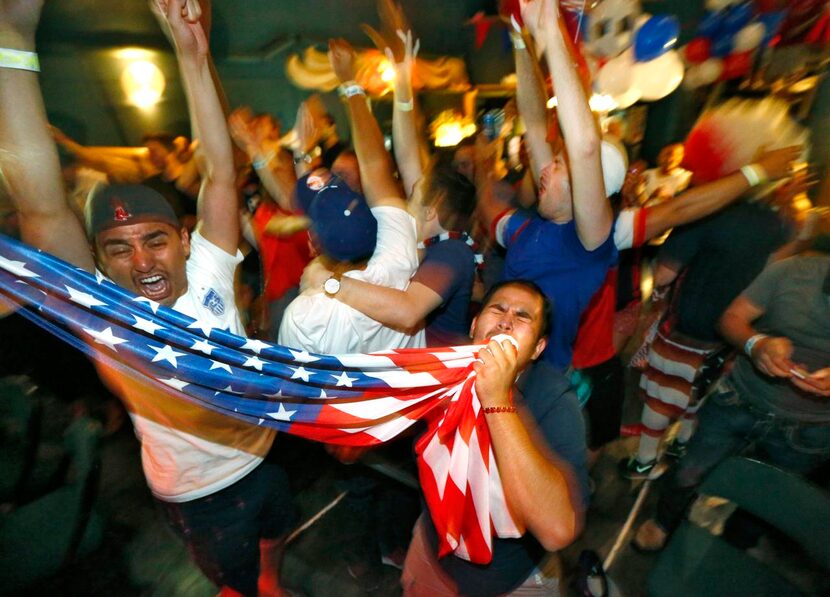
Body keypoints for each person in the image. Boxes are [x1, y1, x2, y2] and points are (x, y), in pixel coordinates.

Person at [0, 2, 292, 595]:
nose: (141, 261)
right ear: (99, 261)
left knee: (274, 539)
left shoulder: (211, 260)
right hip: (198, 492)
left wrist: (192, 51)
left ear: (184, 239)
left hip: (266, 452)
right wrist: (12, 40)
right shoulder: (105, 307)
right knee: (231, 579)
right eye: (118, 249)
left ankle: (270, 578)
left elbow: (219, 173)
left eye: (154, 240)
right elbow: (41, 206)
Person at [401, 279, 587, 596]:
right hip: (432, 558)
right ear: (475, 325)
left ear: (538, 348)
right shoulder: (439, 372)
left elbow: (557, 531)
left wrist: (497, 399)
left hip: (508, 585)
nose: (505, 320)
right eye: (498, 308)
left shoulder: (556, 402)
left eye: (523, 316)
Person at [634, 254, 830, 551]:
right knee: (690, 469)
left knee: (767, 501)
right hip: (740, 398)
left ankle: (731, 549)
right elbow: (731, 318)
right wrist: (757, 345)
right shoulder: (796, 270)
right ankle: (663, 522)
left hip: (811, 430)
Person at [301, 30, 479, 347]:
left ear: (431, 208)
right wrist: (401, 76)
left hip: (435, 388)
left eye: (415, 192)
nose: (405, 195)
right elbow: (405, 152)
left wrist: (329, 282)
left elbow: (409, 311)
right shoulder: (421, 243)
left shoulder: (452, 252)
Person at [482, 0, 616, 373]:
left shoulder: (587, 243)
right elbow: (534, 120)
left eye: (557, 165)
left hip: (537, 384)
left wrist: (553, 32)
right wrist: (521, 40)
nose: (543, 168)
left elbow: (585, 147)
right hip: (490, 366)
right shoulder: (530, 226)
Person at [278, 38, 425, 354]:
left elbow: (296, 392)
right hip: (407, 403)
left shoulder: (305, 315)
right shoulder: (399, 254)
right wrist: (350, 83)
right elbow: (376, 163)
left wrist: (302, 151)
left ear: (313, 244)